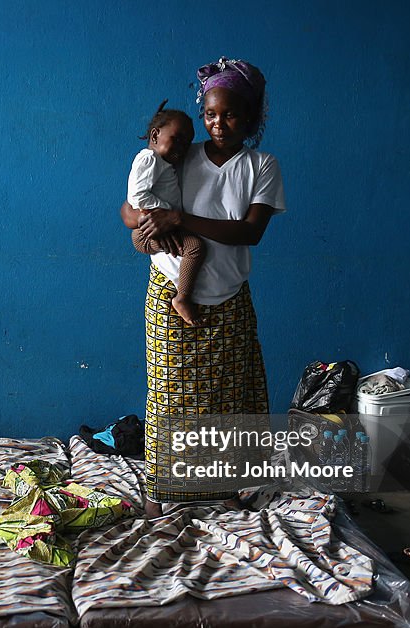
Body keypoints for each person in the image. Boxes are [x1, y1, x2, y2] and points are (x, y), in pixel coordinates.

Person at [119, 58, 286, 516]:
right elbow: (128, 210)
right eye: (211, 114)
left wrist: (180, 219)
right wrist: (148, 222)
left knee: (227, 398)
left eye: (230, 114)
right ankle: (162, 490)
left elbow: (249, 232)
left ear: (249, 117)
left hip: (229, 295)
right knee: (170, 394)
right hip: (169, 289)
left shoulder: (261, 166)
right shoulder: (181, 153)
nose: (218, 123)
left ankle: (225, 489)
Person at [126, 102, 203, 327]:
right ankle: (182, 298)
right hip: (146, 232)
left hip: (153, 228)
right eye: (177, 138)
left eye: (187, 143)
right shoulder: (148, 159)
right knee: (195, 247)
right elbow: (137, 197)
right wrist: (169, 214)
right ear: (155, 134)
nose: (182, 147)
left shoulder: (162, 162)